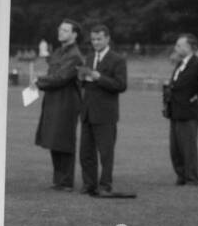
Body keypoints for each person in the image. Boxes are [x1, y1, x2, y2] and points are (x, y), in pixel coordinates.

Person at [76, 22, 128, 196]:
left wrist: (99, 77)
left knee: (106, 153)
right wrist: (82, 77)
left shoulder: (117, 60)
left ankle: (105, 185)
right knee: (85, 153)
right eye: (93, 39)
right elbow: (85, 83)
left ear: (107, 39)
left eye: (99, 39)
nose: (95, 42)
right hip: (87, 113)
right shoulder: (90, 57)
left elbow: (121, 85)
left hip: (105, 114)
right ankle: (89, 184)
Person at [34, 20, 84, 190]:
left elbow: (61, 77)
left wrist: (39, 81)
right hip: (54, 101)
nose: (60, 32)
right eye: (60, 29)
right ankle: (59, 180)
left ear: (74, 34)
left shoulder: (75, 55)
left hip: (67, 103)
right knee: (54, 140)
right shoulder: (58, 52)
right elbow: (53, 72)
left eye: (65, 30)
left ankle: (66, 181)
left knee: (65, 141)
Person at [162, 33, 198, 186]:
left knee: (188, 147)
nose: (176, 48)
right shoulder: (180, 63)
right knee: (175, 148)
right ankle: (181, 175)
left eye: (179, 45)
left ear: (190, 47)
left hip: (188, 112)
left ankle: (192, 178)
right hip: (175, 110)